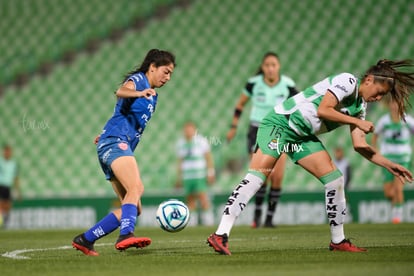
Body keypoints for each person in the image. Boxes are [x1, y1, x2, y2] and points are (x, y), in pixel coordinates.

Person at [207, 59, 414, 255]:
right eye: (379, 92)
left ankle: (338, 240)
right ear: (369, 79)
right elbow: (324, 110)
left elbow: (360, 145)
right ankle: (220, 234)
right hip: (280, 123)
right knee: (258, 177)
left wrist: (389, 165)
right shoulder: (347, 81)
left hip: (302, 137)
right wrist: (358, 123)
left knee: (335, 180)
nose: (378, 99)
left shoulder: (360, 107)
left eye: (382, 96)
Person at [72, 49, 176, 256]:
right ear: (152, 67)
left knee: (133, 206)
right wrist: (139, 92)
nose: (168, 77)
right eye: (165, 71)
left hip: (111, 142)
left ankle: (86, 239)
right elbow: (121, 91)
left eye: (171, 74)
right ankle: (126, 235)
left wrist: (105, 135)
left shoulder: (153, 96)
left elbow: (120, 114)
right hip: (115, 143)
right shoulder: (138, 81)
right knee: (136, 187)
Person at [226, 52, 298, 228]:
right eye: (267, 65)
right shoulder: (254, 83)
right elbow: (240, 104)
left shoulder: (288, 85)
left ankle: (269, 219)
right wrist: (233, 126)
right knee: (262, 175)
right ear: (263, 67)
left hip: (280, 130)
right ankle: (257, 216)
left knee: (278, 177)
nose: (271, 68)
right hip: (257, 131)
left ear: (278, 67)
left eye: (274, 65)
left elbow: (299, 106)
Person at [371, 98, 414, 223]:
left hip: (403, 159)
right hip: (388, 160)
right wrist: (376, 150)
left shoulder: (408, 120)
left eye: (397, 104)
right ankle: (396, 208)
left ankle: (397, 217)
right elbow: (375, 135)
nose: (394, 106)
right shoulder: (384, 121)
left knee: (398, 188)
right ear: (389, 105)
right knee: (389, 193)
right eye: (392, 104)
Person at [175, 121, 215, 226]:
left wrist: (210, 172)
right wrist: (179, 177)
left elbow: (208, 157)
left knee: (203, 198)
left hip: (199, 175)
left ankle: (209, 223)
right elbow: (180, 161)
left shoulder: (201, 141)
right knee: (190, 199)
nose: (188, 131)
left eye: (190, 129)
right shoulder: (181, 143)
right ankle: (192, 224)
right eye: (186, 129)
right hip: (187, 176)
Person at [0, 144, 21, 228]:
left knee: (8, 205)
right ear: (4, 152)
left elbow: (16, 178)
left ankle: (5, 222)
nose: (7, 153)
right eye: (6, 151)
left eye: (9, 151)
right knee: (1, 204)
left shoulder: (13, 164)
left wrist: (18, 191)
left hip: (8, 186)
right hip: (0, 185)